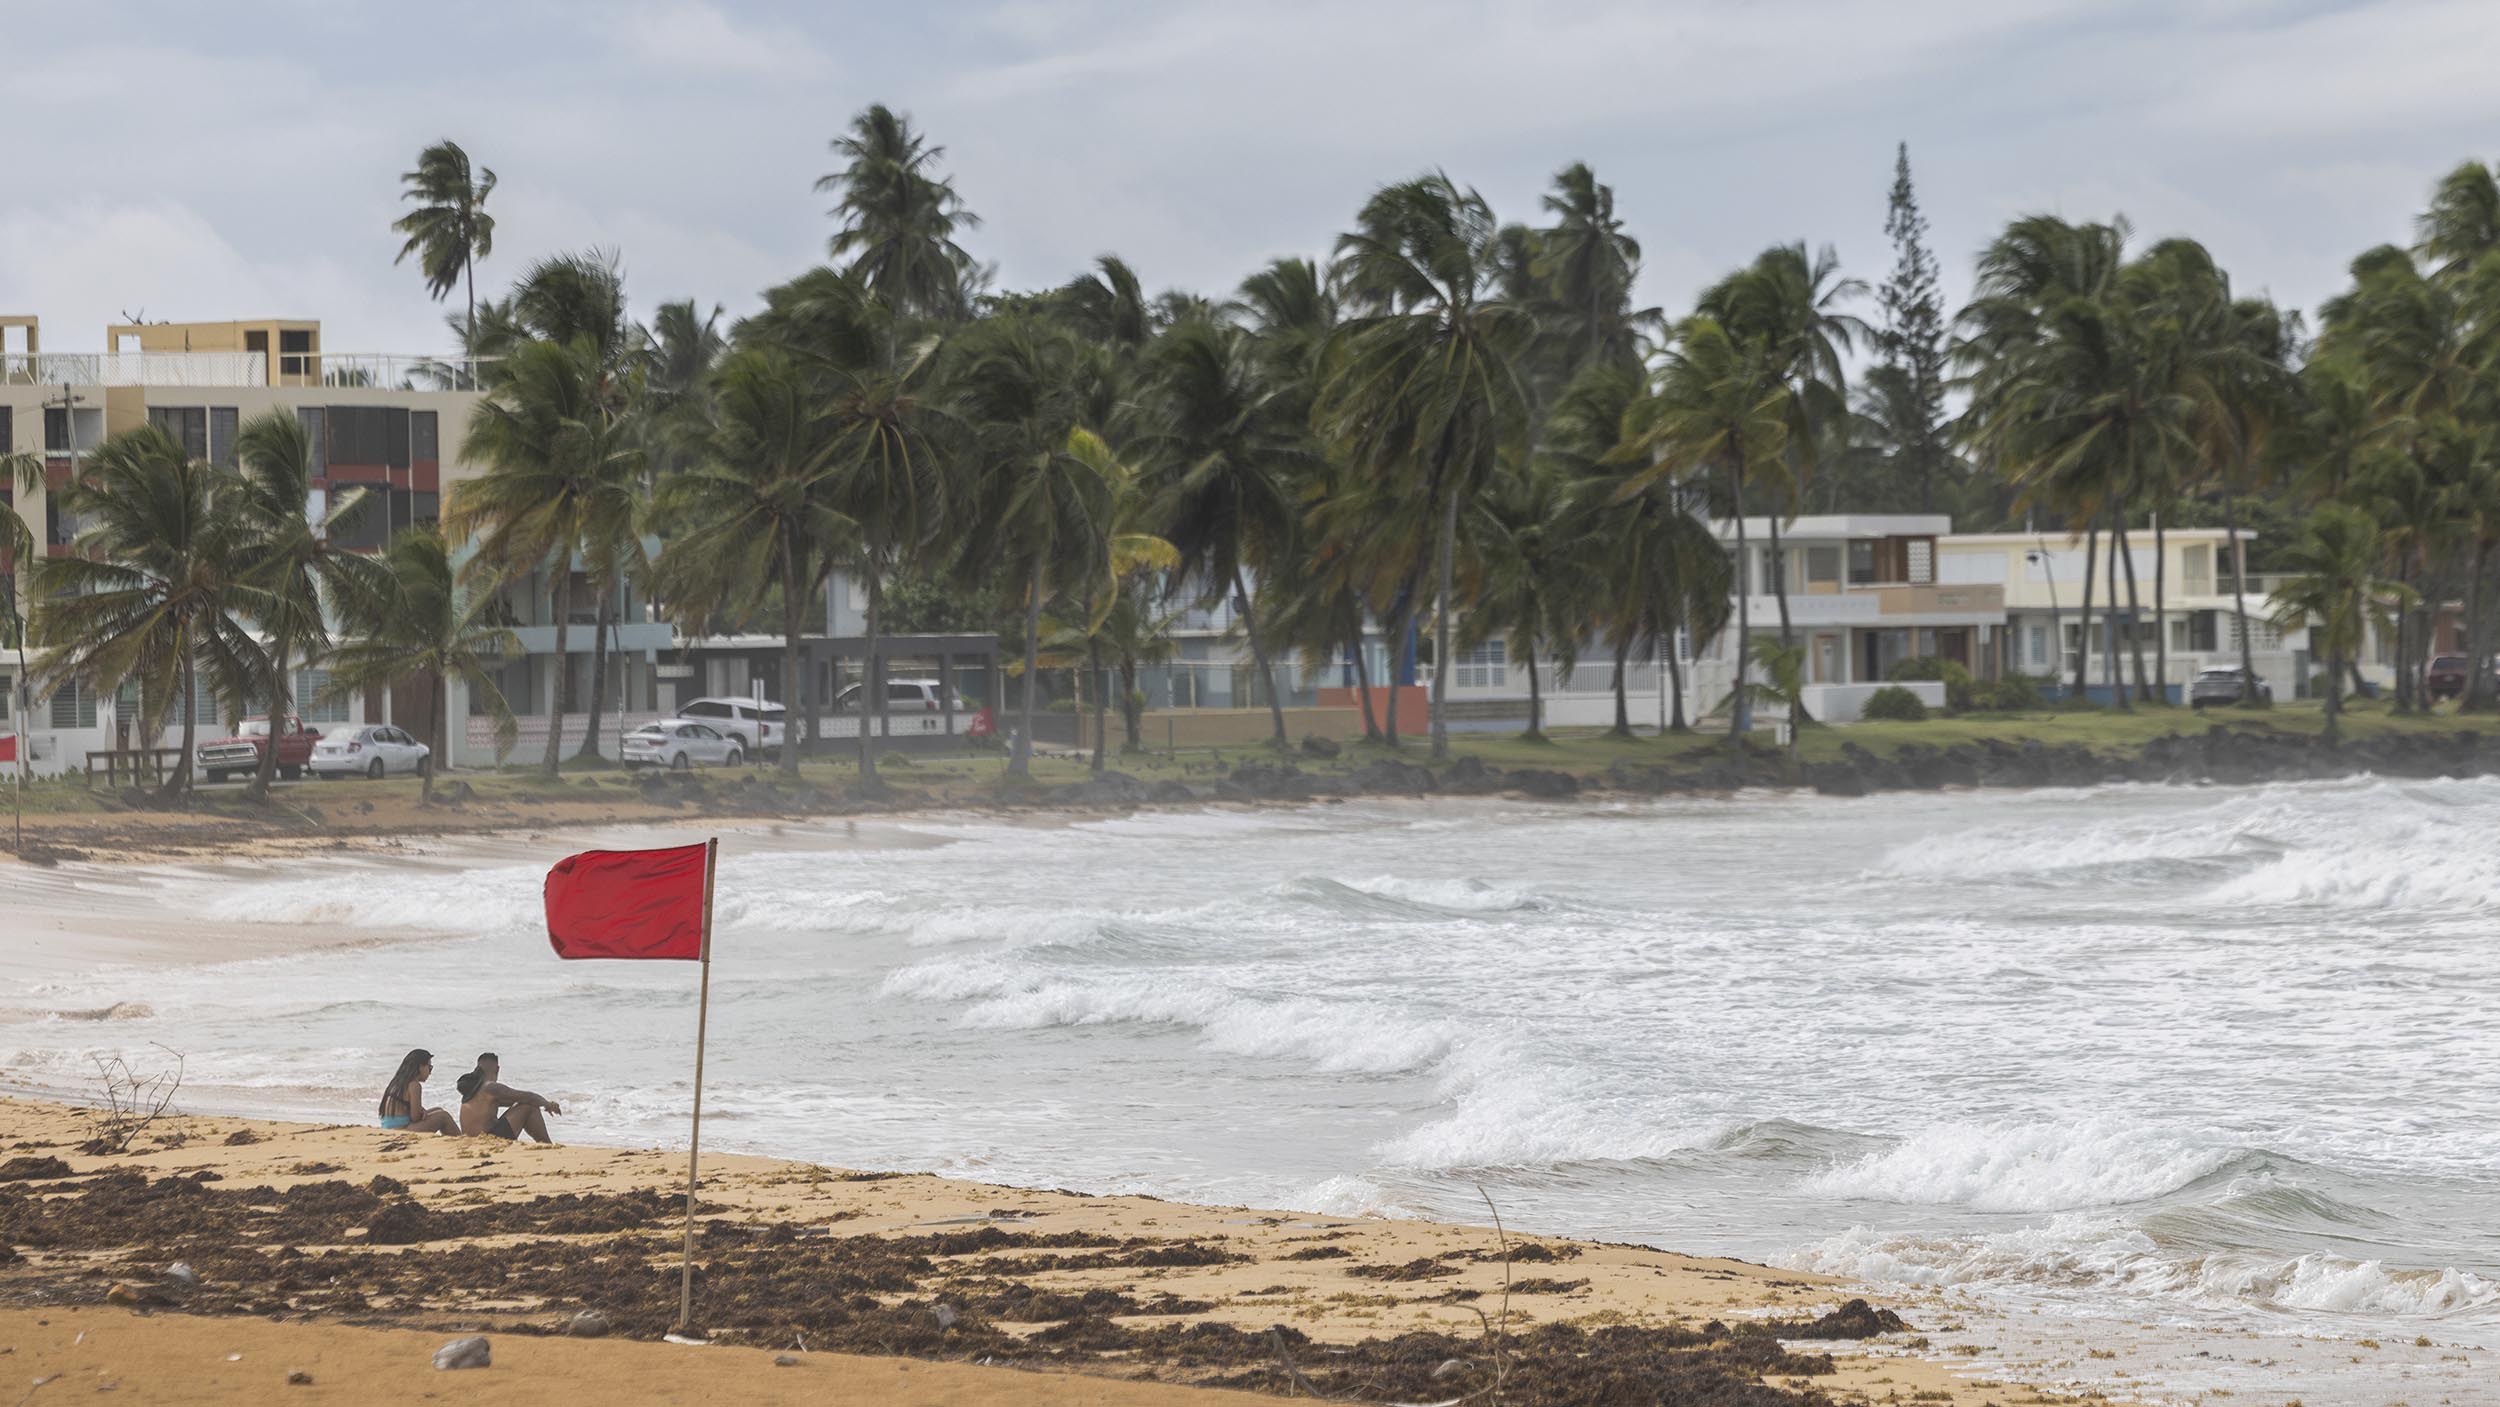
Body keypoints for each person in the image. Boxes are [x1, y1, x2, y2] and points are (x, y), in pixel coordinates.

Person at [455, 1052, 561, 1142]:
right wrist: (547, 1104)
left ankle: (545, 1143)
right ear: (497, 1070)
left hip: (471, 1140)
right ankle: (546, 1144)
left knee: (528, 1103)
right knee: (528, 1106)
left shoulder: (474, 1089)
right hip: (486, 1140)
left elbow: (513, 1101)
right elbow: (527, 1097)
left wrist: (539, 1102)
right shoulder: (490, 1087)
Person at [377, 1049, 457, 1134]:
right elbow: (415, 1117)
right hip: (400, 1130)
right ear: (420, 1067)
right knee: (443, 1116)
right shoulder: (414, 1085)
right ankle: (460, 1143)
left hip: (389, 1128)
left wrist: (422, 1111)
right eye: (429, 1068)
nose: (430, 1073)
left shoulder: (397, 1082)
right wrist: (422, 1112)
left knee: (438, 1109)